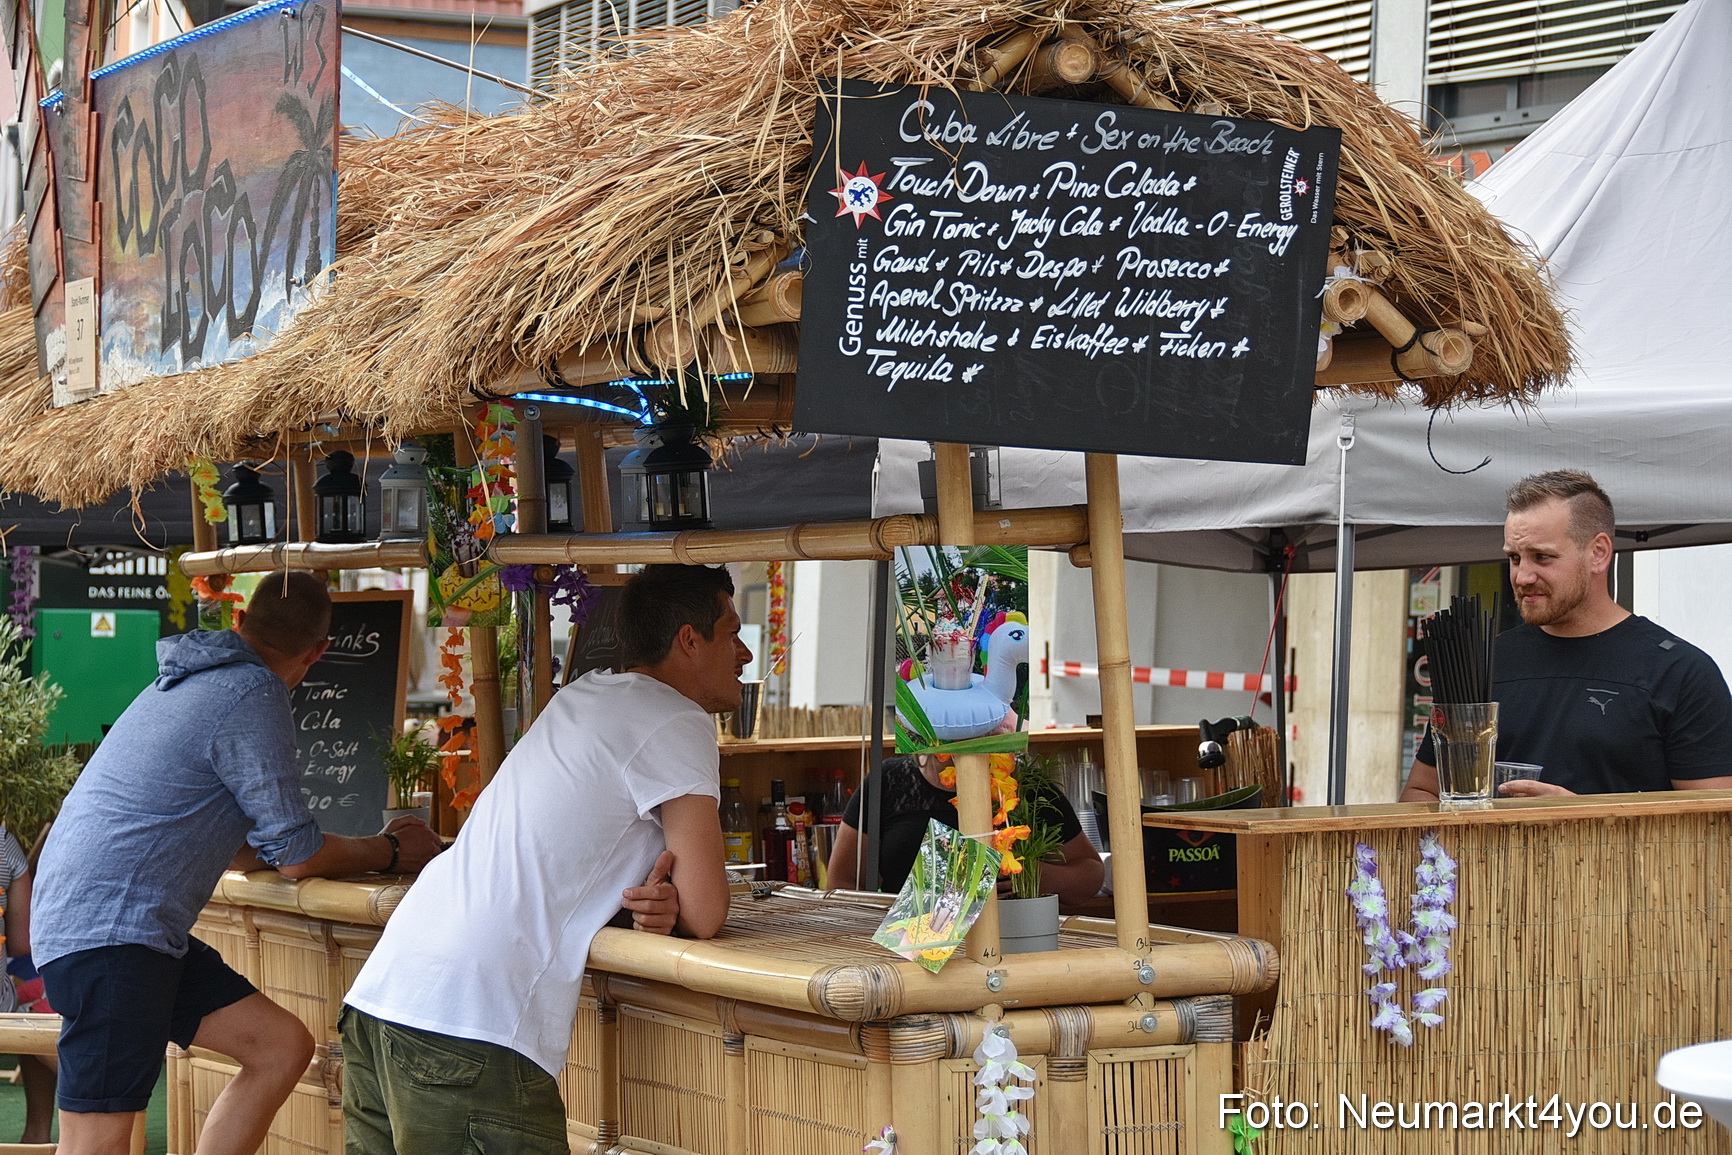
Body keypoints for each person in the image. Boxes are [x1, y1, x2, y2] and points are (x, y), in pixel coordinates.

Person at [30, 571, 445, 1155]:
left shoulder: (186, 681)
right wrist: (396, 849)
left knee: (279, 1047)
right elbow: (297, 856)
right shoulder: (251, 691)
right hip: (113, 937)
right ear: (319, 651)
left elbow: (239, 843)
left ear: (239, 622)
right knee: (98, 1145)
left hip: (119, 929)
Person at [339, 563, 747, 1154]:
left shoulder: (580, 697)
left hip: (384, 997)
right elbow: (708, 911)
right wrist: (679, 905)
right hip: (472, 1026)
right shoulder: (676, 719)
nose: (745, 654)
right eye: (733, 632)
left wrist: (647, 903)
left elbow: (570, 850)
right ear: (689, 639)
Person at [1401, 470, 1732, 800]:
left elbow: (1712, 827)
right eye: (1514, 557)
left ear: (1598, 553)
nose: (1522, 576)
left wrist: (1578, 820)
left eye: (1542, 556)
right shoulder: (1482, 663)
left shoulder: (1680, 673)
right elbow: (1422, 792)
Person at [827, 754, 1106, 904]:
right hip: (912, 953)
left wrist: (1032, 875)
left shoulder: (1025, 785)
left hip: (1012, 946)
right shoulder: (888, 780)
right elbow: (841, 882)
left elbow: (1091, 874)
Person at [3, 824, 56, 1145]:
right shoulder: (4, 844)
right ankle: (36, 1133)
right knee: (34, 1010)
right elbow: (22, 943)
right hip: (2, 1007)